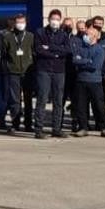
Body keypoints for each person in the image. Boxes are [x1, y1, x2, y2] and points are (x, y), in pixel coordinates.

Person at [33, 9, 71, 139]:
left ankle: (56, 129)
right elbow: (39, 50)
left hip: (59, 71)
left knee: (58, 101)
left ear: (60, 20)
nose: (55, 21)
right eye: (53, 19)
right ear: (48, 19)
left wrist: (50, 48)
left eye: (57, 19)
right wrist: (55, 53)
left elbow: (66, 50)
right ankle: (38, 129)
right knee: (42, 99)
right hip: (44, 70)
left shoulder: (64, 34)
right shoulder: (40, 32)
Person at [0, 14, 35, 134]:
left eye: (22, 22)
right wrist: (6, 67)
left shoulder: (30, 36)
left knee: (28, 99)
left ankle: (28, 124)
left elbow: (34, 53)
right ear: (14, 23)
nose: (20, 24)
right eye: (18, 22)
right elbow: (2, 54)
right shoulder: (7, 37)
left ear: (26, 23)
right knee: (15, 100)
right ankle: (15, 123)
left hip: (27, 72)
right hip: (13, 72)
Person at [71, 25, 105, 137]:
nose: (85, 36)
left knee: (98, 105)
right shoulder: (80, 48)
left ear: (94, 37)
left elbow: (95, 66)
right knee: (81, 105)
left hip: (95, 81)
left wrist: (83, 62)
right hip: (81, 80)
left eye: (87, 34)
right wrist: (87, 61)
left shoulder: (99, 50)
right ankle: (83, 127)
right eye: (85, 34)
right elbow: (75, 60)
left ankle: (103, 127)